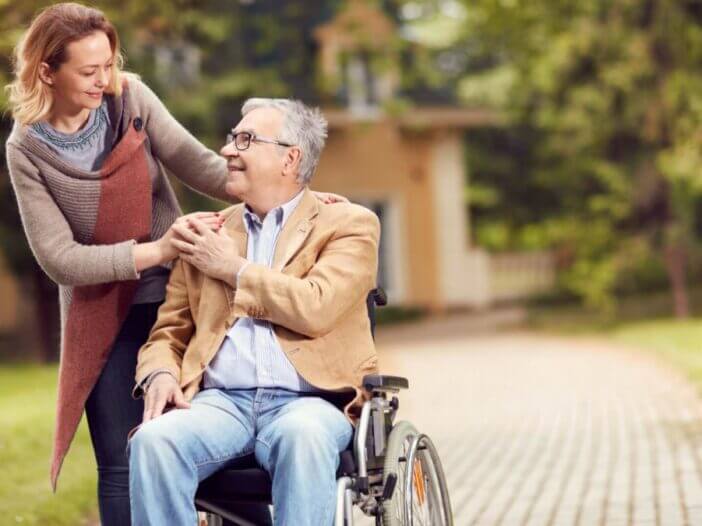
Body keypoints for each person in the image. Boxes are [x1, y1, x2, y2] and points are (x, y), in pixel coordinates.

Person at [4, 4, 339, 525]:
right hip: (102, 311)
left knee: (219, 433)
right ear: (47, 71)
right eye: (88, 71)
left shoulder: (129, 98)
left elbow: (200, 164)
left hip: (181, 291)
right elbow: (60, 259)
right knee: (121, 459)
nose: (104, 80)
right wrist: (159, 250)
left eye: (109, 64)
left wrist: (301, 201)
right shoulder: (27, 148)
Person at [128, 98, 381, 525]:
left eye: (245, 139)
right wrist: (160, 373)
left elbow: (315, 306)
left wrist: (232, 269)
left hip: (309, 402)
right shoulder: (206, 231)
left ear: (290, 158)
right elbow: (168, 333)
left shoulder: (349, 224)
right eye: (231, 139)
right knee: (153, 441)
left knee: (302, 438)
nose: (228, 150)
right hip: (220, 403)